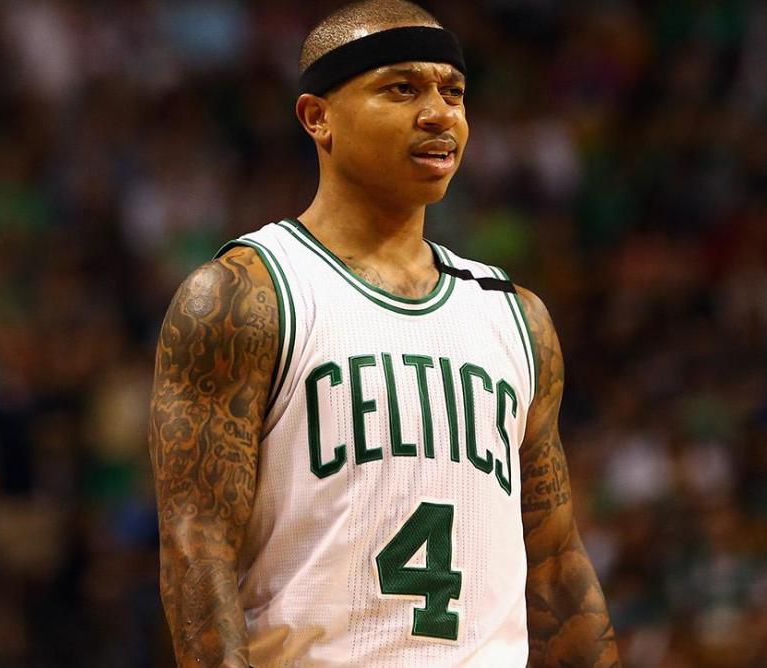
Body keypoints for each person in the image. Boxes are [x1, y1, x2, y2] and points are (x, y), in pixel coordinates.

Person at [148, 1, 620, 665]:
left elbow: (556, 563)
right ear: (318, 117)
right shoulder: (243, 296)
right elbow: (197, 548)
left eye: (453, 92)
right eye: (402, 89)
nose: (439, 114)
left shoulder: (516, 316)